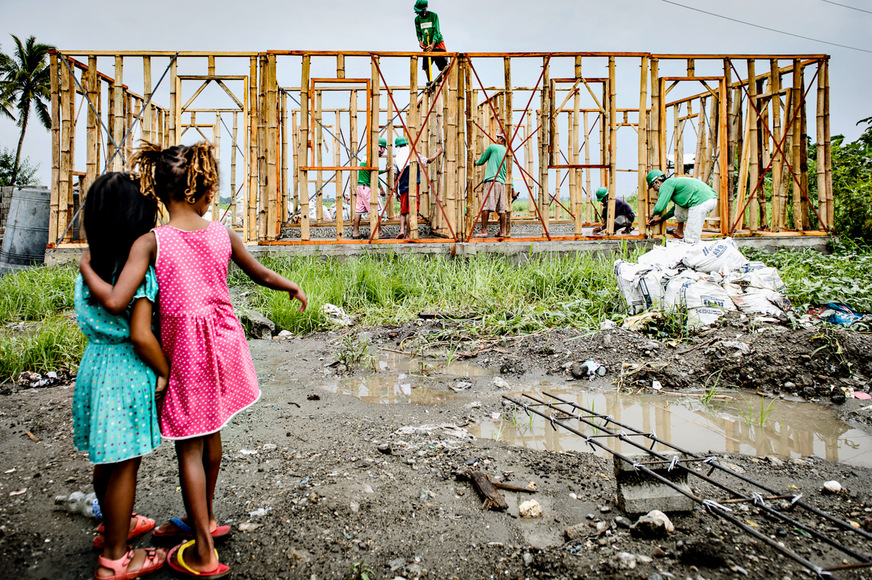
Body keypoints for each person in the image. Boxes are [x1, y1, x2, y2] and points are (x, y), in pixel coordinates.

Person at [80, 141, 307, 578]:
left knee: (190, 447)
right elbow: (258, 272)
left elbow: (119, 297)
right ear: (201, 191)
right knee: (213, 435)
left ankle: (203, 550)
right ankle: (203, 520)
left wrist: (87, 267)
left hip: (185, 351)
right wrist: (291, 285)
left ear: (164, 192)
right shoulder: (221, 232)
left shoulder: (151, 242)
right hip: (223, 344)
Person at [74, 172, 168, 579]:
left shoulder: (90, 269)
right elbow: (141, 335)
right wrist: (165, 369)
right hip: (126, 371)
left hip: (94, 367)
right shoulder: (139, 275)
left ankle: (115, 523)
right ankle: (116, 556)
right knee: (126, 461)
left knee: (106, 459)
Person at [645, 170, 717, 243]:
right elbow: (675, 210)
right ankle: (679, 231)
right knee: (678, 207)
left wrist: (652, 212)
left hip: (701, 202)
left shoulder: (666, 184)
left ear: (657, 182)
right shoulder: (674, 183)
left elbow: (659, 208)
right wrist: (660, 219)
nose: (654, 190)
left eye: (653, 186)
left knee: (691, 237)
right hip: (710, 200)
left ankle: (691, 251)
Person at [393, 136, 442, 239]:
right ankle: (408, 234)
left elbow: (395, 177)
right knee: (412, 211)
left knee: (403, 211)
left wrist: (396, 192)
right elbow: (428, 160)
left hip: (402, 187)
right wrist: (438, 152)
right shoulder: (413, 154)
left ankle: (402, 230)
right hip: (413, 185)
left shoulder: (396, 159)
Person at [473, 133, 510, 238]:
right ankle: (502, 231)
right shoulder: (507, 152)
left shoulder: (492, 147)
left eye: (498, 137)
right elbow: (509, 171)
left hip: (492, 181)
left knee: (486, 206)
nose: (496, 139)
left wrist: (475, 161)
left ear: (502, 139)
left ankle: (484, 230)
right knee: (501, 209)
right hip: (502, 183)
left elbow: (481, 161)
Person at [352, 137, 387, 239]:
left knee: (358, 211)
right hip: (367, 188)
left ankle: (356, 232)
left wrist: (384, 171)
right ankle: (378, 232)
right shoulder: (373, 157)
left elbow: (369, 171)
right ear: (380, 148)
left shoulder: (367, 155)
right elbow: (374, 175)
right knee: (375, 210)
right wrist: (381, 188)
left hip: (360, 187)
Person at [413, 0, 448, 83]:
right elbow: (418, 32)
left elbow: (437, 31)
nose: (419, 14)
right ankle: (430, 82)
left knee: (443, 65)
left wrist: (433, 44)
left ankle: (448, 83)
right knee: (426, 65)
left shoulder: (434, 16)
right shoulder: (417, 19)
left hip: (437, 43)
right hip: (427, 44)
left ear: (425, 11)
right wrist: (420, 41)